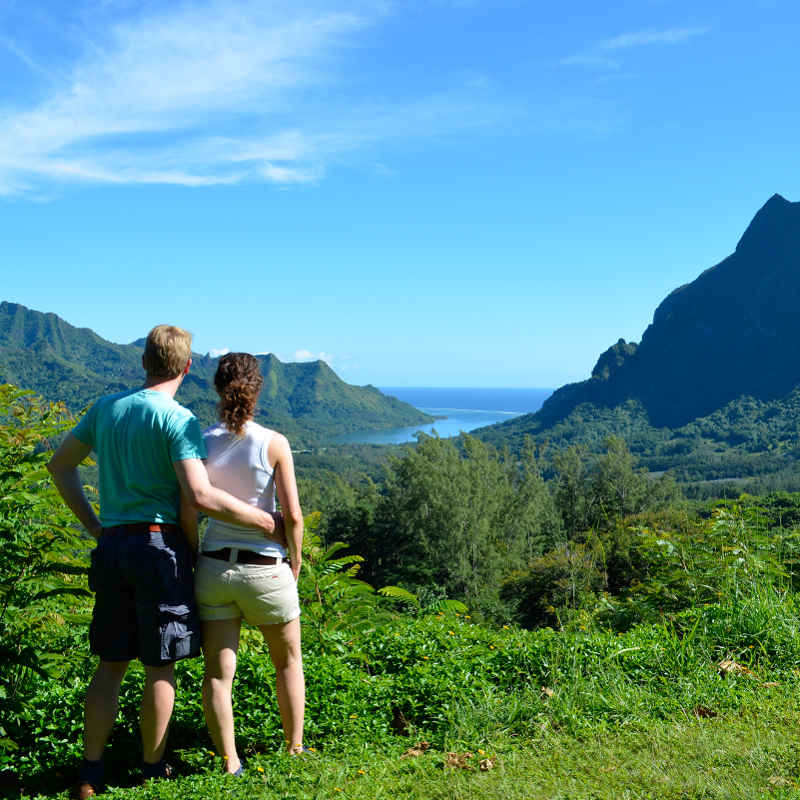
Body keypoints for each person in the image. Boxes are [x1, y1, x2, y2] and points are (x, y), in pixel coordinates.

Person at [47, 326, 283, 799]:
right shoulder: (179, 419)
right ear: (187, 366)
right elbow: (196, 496)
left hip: (113, 544)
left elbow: (60, 465)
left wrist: (95, 526)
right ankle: (151, 768)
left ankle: (90, 771)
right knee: (160, 666)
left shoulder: (106, 408)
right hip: (159, 546)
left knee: (110, 663)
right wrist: (261, 519)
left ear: (144, 361)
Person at [186, 352, 305, 774]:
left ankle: (229, 762)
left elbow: (192, 506)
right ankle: (294, 749)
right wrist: (296, 558)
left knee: (219, 673)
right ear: (258, 389)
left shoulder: (199, 441)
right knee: (288, 661)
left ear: (217, 388)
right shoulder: (274, 442)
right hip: (264, 567)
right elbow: (291, 514)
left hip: (215, 567)